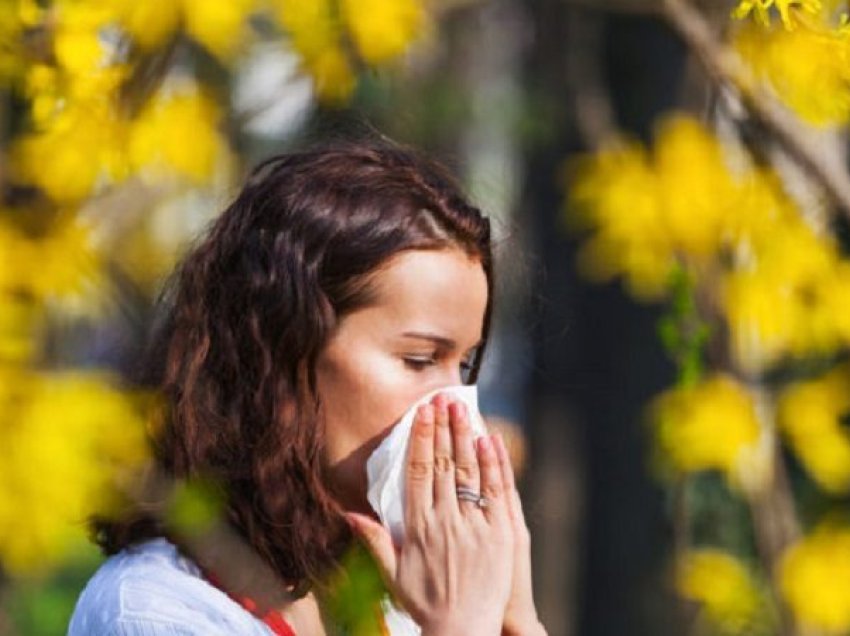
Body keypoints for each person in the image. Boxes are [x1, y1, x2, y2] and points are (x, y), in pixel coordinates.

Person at [68, 138, 547, 635]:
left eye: (465, 366)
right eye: (420, 359)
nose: (456, 409)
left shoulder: (399, 596)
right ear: (284, 349)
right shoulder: (154, 611)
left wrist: (517, 619)